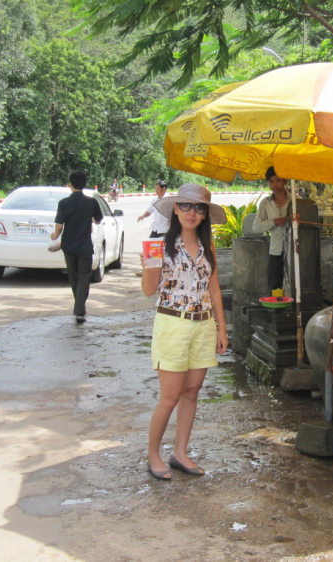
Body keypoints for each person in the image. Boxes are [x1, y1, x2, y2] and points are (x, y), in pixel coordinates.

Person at [140, 183, 228, 480]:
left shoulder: (208, 247)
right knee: (171, 395)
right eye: (186, 206)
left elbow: (213, 288)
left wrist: (221, 328)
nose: (192, 213)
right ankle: (154, 454)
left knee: (192, 391)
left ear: (205, 215)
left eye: (199, 208)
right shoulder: (159, 245)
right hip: (172, 324)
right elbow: (148, 290)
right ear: (175, 209)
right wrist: (148, 269)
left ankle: (180, 452)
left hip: (203, 324)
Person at [51, 170, 103, 324]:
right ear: (84, 184)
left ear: (70, 185)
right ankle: (80, 308)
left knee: (73, 276)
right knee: (84, 277)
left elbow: (59, 226)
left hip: (69, 247)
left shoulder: (64, 203)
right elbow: (98, 220)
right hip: (85, 247)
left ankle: (79, 307)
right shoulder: (91, 202)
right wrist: (91, 221)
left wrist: (55, 236)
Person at [252, 166, 289, 293]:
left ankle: (294, 310)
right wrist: (274, 222)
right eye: (271, 181)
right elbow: (256, 227)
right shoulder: (265, 203)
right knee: (275, 284)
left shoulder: (296, 200)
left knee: (295, 283)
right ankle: (278, 311)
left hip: (295, 251)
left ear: (284, 181)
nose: (275, 184)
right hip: (276, 250)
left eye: (278, 180)